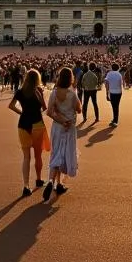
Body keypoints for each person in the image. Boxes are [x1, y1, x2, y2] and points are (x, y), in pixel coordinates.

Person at [9, 68, 49, 197]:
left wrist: (22, 113)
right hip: (37, 124)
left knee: (26, 157)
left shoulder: (20, 91)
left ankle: (26, 185)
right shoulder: (37, 91)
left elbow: (11, 105)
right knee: (38, 155)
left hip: (23, 124)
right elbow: (44, 107)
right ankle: (38, 179)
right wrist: (41, 95)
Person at [43, 66, 79, 201]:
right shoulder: (72, 93)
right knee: (65, 154)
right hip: (69, 127)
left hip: (58, 127)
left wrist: (60, 119)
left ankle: (53, 181)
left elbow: (49, 112)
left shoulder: (54, 92)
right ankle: (58, 183)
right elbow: (79, 109)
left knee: (56, 152)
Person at [104, 61, 124, 126]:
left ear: (112, 68)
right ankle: (115, 120)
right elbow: (121, 84)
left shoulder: (109, 73)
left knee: (114, 106)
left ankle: (115, 120)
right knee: (116, 106)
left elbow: (106, 83)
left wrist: (107, 93)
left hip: (112, 92)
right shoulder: (119, 74)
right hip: (119, 92)